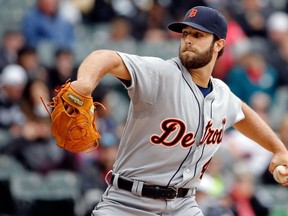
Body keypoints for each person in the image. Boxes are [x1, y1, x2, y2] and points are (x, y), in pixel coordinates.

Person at [64, 6, 288, 215]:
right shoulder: (160, 74)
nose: (188, 40)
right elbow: (105, 57)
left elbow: (243, 114)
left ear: (218, 44)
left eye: (198, 35)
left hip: (183, 205)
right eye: (185, 34)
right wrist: (85, 83)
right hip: (127, 202)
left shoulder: (221, 94)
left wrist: (278, 149)